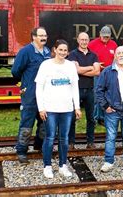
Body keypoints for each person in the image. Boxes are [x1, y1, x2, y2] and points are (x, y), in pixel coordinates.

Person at [35, 39, 82, 179]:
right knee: (49, 138)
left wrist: (77, 107)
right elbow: (39, 88)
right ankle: (47, 166)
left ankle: (63, 165)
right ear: (54, 50)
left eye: (65, 50)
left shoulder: (70, 66)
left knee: (64, 139)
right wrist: (41, 108)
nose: (62, 52)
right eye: (60, 49)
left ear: (68, 52)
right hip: (50, 108)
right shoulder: (45, 65)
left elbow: (75, 87)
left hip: (67, 109)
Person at [11, 27, 51, 164]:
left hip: (46, 94)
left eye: (45, 35)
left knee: (44, 123)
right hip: (30, 94)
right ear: (33, 37)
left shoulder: (48, 52)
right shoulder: (25, 52)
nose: (44, 38)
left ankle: (39, 146)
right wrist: (25, 85)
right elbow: (15, 71)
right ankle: (21, 151)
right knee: (27, 123)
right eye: (41, 35)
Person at [67, 32, 101, 149]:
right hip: (76, 90)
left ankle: (90, 142)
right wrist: (91, 67)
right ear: (78, 40)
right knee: (72, 117)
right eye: (82, 39)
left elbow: (97, 72)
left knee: (91, 118)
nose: (84, 42)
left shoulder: (94, 55)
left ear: (88, 41)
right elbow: (75, 71)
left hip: (90, 90)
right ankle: (71, 143)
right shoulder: (72, 54)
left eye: (86, 39)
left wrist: (82, 70)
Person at [88, 26, 118, 126]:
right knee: (97, 97)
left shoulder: (113, 44)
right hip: (97, 73)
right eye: (104, 36)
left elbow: (116, 58)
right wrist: (94, 64)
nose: (105, 38)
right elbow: (88, 57)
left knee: (108, 96)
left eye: (107, 37)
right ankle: (95, 118)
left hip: (110, 74)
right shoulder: (92, 44)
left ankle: (104, 118)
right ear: (100, 34)